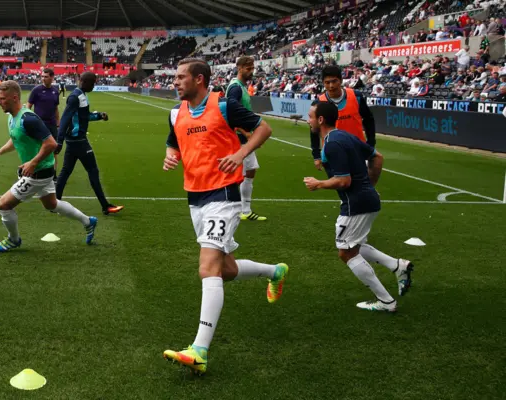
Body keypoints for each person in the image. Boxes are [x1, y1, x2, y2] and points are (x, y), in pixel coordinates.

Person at [162, 58, 289, 375]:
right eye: (174, 77)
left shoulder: (224, 105)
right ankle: (274, 271)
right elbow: (175, 139)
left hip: (224, 196)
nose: (175, 82)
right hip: (195, 197)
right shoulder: (176, 113)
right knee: (225, 269)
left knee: (207, 268)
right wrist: (171, 154)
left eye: (181, 77)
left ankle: (199, 350)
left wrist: (241, 153)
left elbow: (264, 128)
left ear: (200, 80)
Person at [303, 102, 413, 312]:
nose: (307, 120)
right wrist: (370, 186)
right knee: (355, 245)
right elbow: (377, 157)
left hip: (356, 204)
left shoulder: (332, 143)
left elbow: (344, 180)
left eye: (310, 116)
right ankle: (397, 266)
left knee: (346, 253)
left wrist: (319, 184)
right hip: (366, 200)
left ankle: (386, 302)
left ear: (320, 120)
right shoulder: (345, 136)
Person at [0, 80, 98, 252]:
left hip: (38, 173)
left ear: (14, 98)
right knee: (51, 204)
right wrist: (0, 151)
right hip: (42, 170)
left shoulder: (28, 119)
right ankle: (88, 221)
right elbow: (17, 137)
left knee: (4, 204)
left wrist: (33, 162)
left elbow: (51, 144)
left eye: (2, 98)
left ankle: (13, 240)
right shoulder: (12, 116)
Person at [55, 72, 123, 216]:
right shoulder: (75, 97)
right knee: (92, 171)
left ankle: (54, 202)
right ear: (84, 82)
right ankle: (105, 206)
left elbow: (83, 117)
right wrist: (59, 141)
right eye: (92, 83)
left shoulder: (82, 95)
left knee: (66, 171)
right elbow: (65, 119)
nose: (93, 86)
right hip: (79, 141)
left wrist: (99, 116)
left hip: (75, 141)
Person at [310, 66, 376, 171]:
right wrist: (316, 156)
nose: (331, 86)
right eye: (327, 82)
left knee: (357, 185)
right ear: (323, 83)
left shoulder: (356, 97)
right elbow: (314, 129)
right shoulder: (319, 103)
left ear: (340, 80)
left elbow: (368, 119)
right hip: (332, 152)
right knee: (343, 184)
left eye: (334, 81)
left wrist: (371, 143)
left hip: (357, 151)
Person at [225, 56, 266, 221]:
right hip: (239, 138)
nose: (251, 72)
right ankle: (238, 209)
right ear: (239, 68)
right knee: (239, 174)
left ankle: (244, 209)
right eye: (248, 69)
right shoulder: (235, 88)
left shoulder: (241, 87)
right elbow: (230, 111)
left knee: (249, 171)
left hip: (243, 137)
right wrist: (245, 132)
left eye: (252, 68)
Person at [27, 68, 60, 179]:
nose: (43, 79)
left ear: (52, 77)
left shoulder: (55, 91)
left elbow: (56, 108)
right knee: (38, 149)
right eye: (42, 76)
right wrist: (28, 120)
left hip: (52, 124)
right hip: (39, 124)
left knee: (54, 150)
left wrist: (58, 122)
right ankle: (35, 170)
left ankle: (53, 173)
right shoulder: (36, 90)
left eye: (46, 77)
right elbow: (28, 106)